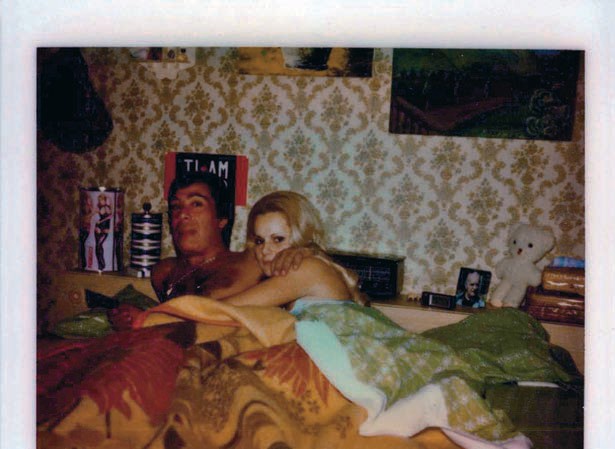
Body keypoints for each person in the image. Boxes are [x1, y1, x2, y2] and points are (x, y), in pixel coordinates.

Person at [109, 173, 310, 328]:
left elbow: (311, 272)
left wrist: (305, 253)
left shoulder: (255, 260)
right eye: (176, 207)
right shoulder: (164, 273)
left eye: (196, 204)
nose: (183, 214)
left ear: (222, 218)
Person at [222, 191, 366, 309]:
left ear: (301, 238)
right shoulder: (307, 266)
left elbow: (223, 310)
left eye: (278, 239)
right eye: (260, 241)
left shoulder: (306, 269)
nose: (265, 250)